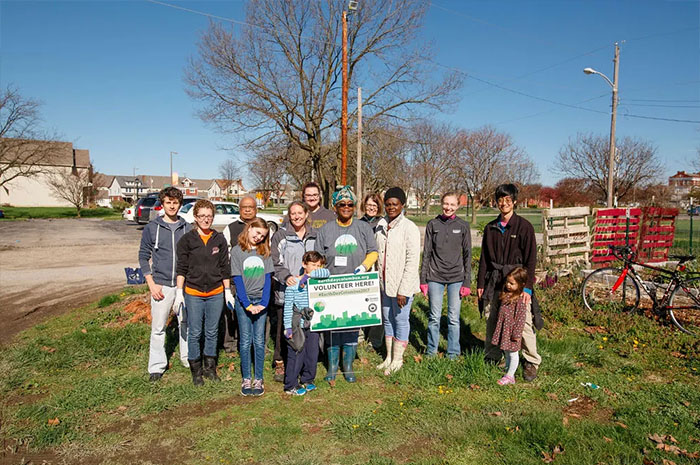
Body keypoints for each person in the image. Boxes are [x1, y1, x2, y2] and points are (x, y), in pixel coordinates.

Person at [477, 183, 543, 381]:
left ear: (514, 202)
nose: (504, 203)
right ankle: (493, 355)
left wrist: (528, 288)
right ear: (496, 202)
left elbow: (531, 260)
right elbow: (484, 259)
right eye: (500, 200)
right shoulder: (490, 228)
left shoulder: (524, 227)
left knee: (523, 323)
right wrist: (481, 284)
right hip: (494, 282)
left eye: (508, 200)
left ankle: (531, 360)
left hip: (517, 285)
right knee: (492, 319)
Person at [315, 185, 378, 384]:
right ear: (335, 206)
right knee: (333, 326)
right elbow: (318, 257)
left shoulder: (363, 228)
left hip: (355, 285)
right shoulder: (326, 229)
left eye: (350, 204)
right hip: (332, 286)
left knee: (351, 326)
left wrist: (364, 266)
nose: (346, 207)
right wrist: (320, 272)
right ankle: (333, 366)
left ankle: (348, 366)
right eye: (342, 204)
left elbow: (373, 251)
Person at [175, 199, 233, 386]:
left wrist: (227, 291)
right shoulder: (187, 240)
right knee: (195, 332)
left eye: (209, 216)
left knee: (212, 331)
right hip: (194, 292)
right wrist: (179, 291)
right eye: (202, 216)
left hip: (216, 291)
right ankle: (196, 371)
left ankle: (210, 367)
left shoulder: (219, 239)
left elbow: (225, 267)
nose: (206, 220)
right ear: (195, 217)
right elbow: (181, 267)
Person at [138, 187, 191, 382]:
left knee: (185, 323)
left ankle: (187, 358)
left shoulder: (187, 227)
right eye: (168, 202)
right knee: (158, 327)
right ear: (163, 203)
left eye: (175, 203)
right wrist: (151, 283)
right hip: (161, 285)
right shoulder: (152, 227)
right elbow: (143, 256)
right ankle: (157, 366)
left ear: (180, 204)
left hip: (183, 286)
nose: (172, 206)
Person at [419, 192, 472, 360]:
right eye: (446, 204)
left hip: (457, 277)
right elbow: (426, 253)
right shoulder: (432, 224)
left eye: (452, 205)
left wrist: (467, 282)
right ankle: (431, 351)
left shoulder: (463, 226)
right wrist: (423, 280)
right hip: (435, 276)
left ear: (457, 206)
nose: (448, 207)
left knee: (453, 318)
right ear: (441, 204)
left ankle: (453, 353)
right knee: (434, 317)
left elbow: (468, 255)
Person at [271, 201, 318, 383]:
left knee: (306, 333)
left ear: (306, 214)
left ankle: (305, 368)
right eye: (293, 213)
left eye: (300, 213)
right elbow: (275, 261)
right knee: (285, 331)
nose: (297, 216)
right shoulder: (281, 235)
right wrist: (286, 276)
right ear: (289, 216)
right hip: (286, 294)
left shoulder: (315, 235)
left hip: (309, 295)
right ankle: (281, 362)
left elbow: (321, 260)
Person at [374, 187, 420, 375]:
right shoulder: (381, 225)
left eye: (395, 204)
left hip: (401, 286)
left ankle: (398, 359)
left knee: (400, 319)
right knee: (387, 319)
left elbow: (412, 260)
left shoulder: (409, 228)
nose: (391, 207)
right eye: (388, 204)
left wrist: (404, 289)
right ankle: (388, 357)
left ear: (402, 205)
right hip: (384, 284)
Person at [231, 218, 274, 396]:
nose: (258, 238)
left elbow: (268, 280)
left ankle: (259, 378)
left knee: (259, 341)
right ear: (248, 229)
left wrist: (263, 303)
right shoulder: (237, 251)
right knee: (246, 340)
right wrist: (247, 304)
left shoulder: (265, 252)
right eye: (256, 233)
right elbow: (237, 279)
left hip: (260, 302)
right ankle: (246, 377)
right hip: (244, 302)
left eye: (262, 236)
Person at [282, 251, 330, 395]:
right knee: (296, 353)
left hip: (313, 324)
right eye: (313, 265)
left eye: (318, 265)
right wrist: (287, 327)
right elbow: (288, 308)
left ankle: (308, 379)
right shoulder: (293, 284)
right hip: (298, 325)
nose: (317, 268)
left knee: (312, 353)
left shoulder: (317, 281)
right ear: (304, 264)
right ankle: (291, 385)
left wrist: (309, 276)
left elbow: (326, 272)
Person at [220, 195, 260, 354]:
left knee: (256, 312)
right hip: (235, 278)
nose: (248, 210)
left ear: (256, 209)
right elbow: (224, 254)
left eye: (251, 207)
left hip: (256, 279)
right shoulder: (230, 228)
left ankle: (256, 344)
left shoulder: (263, 227)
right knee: (231, 312)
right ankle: (230, 344)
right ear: (240, 209)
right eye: (244, 207)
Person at [491, 267, 529, 385]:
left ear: (521, 284)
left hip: (512, 332)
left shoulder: (520, 300)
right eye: (507, 282)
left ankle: (510, 376)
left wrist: (516, 334)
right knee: (506, 351)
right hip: (505, 330)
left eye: (512, 283)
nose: (508, 285)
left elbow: (520, 319)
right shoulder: (506, 295)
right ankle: (508, 370)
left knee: (513, 353)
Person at [359, 192, 385, 350]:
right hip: (362, 268)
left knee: (379, 304)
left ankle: (375, 339)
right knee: (361, 302)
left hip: (378, 268)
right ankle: (360, 334)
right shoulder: (358, 223)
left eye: (374, 206)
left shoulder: (383, 223)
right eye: (369, 205)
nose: (371, 208)